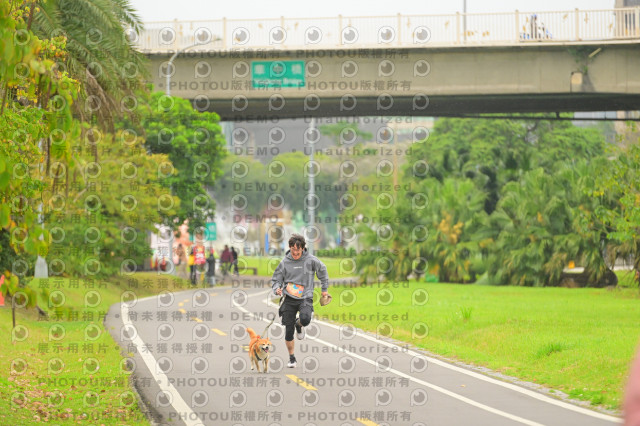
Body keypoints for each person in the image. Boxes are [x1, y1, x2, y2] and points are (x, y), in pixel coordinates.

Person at [271, 233, 329, 368]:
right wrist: (277, 289)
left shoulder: (311, 260)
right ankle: (292, 358)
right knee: (288, 330)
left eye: (298, 250)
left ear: (303, 248)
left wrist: (324, 289)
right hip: (289, 298)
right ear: (290, 247)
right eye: (293, 249)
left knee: (306, 319)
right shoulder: (284, 262)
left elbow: (323, 270)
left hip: (305, 297)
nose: (295, 252)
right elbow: (276, 279)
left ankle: (299, 324)